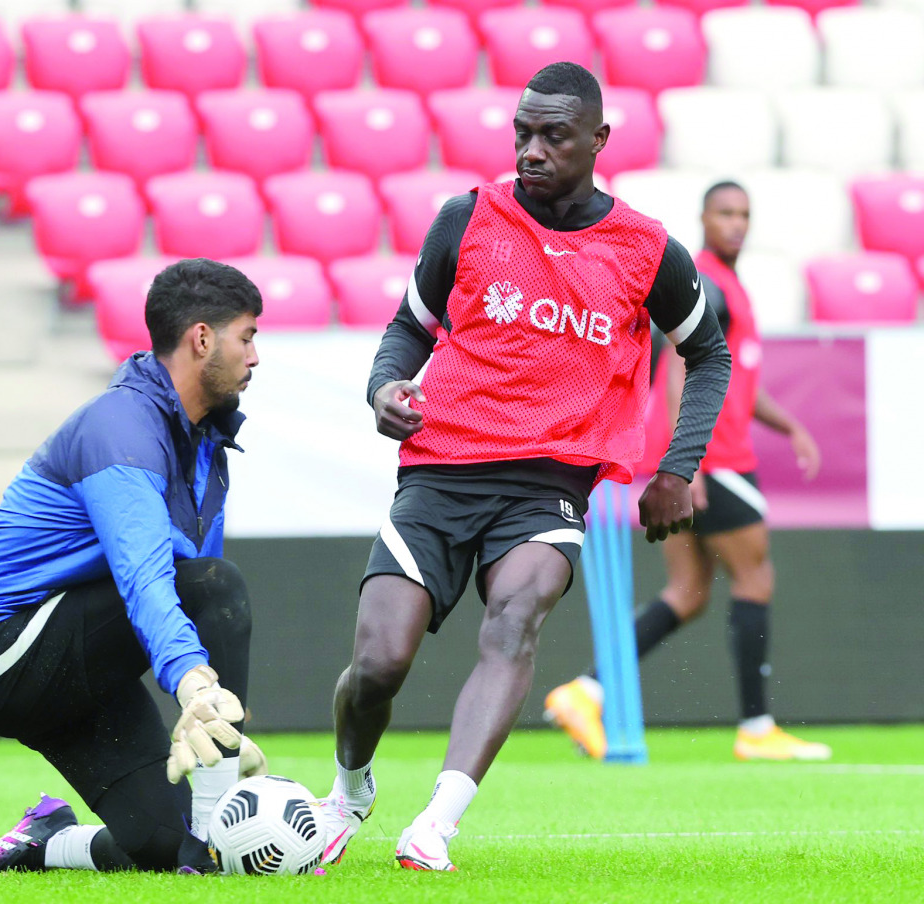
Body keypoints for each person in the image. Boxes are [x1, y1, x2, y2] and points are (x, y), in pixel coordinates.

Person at [315, 61, 732, 872]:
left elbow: (707, 353)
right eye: (522, 134)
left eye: (553, 136)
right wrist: (383, 389)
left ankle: (436, 822)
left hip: (549, 485)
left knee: (514, 621)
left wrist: (677, 467)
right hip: (438, 473)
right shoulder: (466, 218)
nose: (531, 151)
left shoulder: (647, 248)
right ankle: (348, 788)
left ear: (598, 141)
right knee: (378, 664)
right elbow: (409, 328)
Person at [0, 258, 266, 876]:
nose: (255, 356)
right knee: (217, 586)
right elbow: (150, 582)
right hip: (1, 654)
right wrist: (196, 684)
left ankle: (44, 841)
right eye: (247, 336)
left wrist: (208, 690)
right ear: (202, 338)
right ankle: (224, 817)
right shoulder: (120, 427)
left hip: (76, 663)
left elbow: (187, 587)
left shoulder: (205, 441)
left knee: (164, 845)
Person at [545, 182, 830, 763]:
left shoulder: (724, 286)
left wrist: (789, 427)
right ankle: (756, 728)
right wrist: (687, 459)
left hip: (694, 460)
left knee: (686, 594)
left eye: (744, 214)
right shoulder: (711, 285)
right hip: (715, 460)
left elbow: (738, 381)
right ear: (703, 217)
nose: (736, 224)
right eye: (725, 213)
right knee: (755, 580)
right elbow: (680, 362)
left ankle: (584, 691)